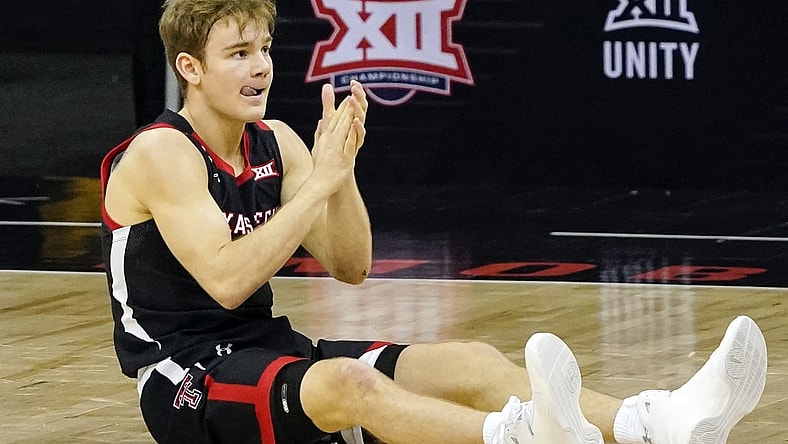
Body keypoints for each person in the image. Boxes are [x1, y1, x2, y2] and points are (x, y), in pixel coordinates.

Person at [99, 0, 768, 443]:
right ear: (190, 67)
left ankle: (657, 422)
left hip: (267, 351)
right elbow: (226, 280)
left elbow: (350, 266)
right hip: (185, 381)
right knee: (349, 382)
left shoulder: (275, 138)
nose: (262, 65)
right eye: (239, 52)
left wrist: (344, 170)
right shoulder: (162, 150)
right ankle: (526, 435)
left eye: (265, 47)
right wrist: (320, 183)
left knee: (472, 360)